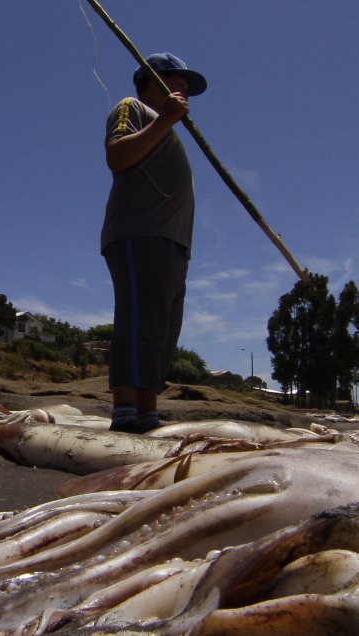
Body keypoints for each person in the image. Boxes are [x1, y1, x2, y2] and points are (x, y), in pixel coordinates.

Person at [101, 52, 207, 434]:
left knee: (162, 328)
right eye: (175, 81)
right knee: (139, 319)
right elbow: (117, 155)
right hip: (139, 232)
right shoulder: (133, 108)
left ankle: (147, 411)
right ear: (151, 79)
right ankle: (125, 409)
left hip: (172, 243)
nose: (183, 90)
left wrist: (168, 123)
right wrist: (165, 119)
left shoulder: (168, 128)